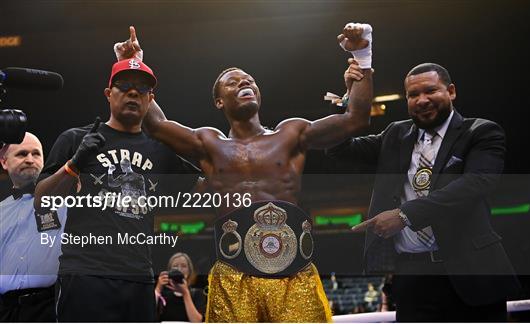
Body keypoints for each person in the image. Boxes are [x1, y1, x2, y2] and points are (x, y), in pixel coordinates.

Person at [113, 22, 373, 322]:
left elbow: (356, 119)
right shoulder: (209, 143)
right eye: (233, 83)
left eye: (249, 80)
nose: (244, 83)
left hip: (293, 275)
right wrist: (133, 65)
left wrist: (363, 54)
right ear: (219, 101)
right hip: (234, 275)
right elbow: (155, 125)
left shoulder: (291, 134)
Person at [328, 62, 520, 321]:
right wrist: (349, 99)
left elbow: (476, 184)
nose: (422, 100)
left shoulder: (481, 132)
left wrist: (404, 215)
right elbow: (339, 149)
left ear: (450, 91)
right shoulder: (396, 135)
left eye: (430, 91)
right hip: (413, 277)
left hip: (471, 271)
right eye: (413, 95)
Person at [33, 58, 199, 321]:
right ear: (109, 94)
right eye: (124, 86)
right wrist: (74, 164)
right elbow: (42, 201)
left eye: (142, 89)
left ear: (150, 98)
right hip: (85, 275)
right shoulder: (76, 139)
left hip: (139, 277)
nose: (133, 92)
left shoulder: (161, 151)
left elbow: (207, 188)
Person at [0, 133, 67, 322]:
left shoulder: (64, 202)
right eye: (22, 154)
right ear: (4, 162)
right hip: (5, 309)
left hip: (48, 307)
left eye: (36, 154)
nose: (30, 160)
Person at [155, 252, 206, 322]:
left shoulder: (197, 294)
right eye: (175, 266)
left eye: (184, 266)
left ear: (189, 271)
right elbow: (148, 315)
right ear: (169, 270)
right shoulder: (164, 293)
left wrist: (185, 293)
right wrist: (158, 288)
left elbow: (197, 321)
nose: (179, 269)